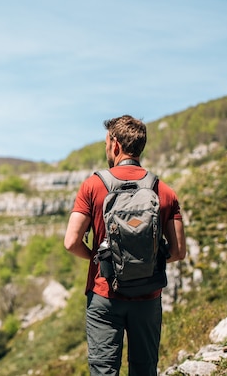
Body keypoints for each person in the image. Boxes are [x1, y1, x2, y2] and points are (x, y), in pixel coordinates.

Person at [64, 114, 186, 376]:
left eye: (106, 143)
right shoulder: (164, 191)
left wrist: (102, 259)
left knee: (104, 371)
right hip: (148, 296)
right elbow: (178, 252)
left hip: (105, 293)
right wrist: (143, 261)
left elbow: (71, 242)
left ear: (115, 144)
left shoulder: (93, 185)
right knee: (144, 369)